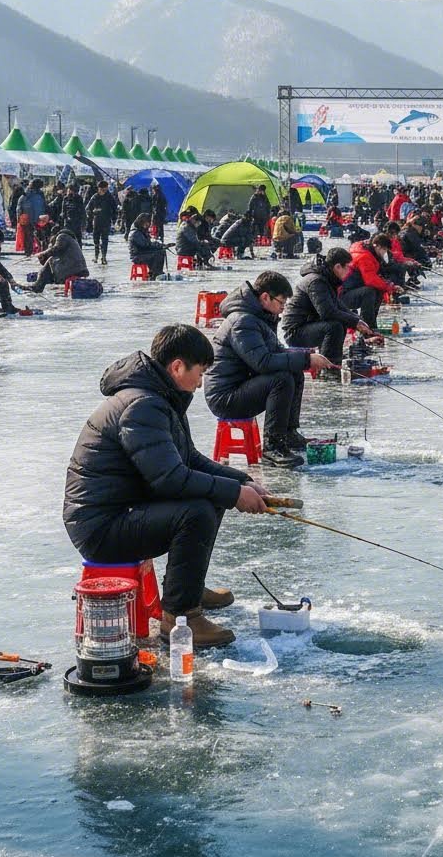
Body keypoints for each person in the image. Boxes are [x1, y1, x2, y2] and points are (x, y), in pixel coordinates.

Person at [63, 324, 271, 648]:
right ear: (177, 366)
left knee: (210, 497)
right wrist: (233, 494)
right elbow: (170, 479)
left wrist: (242, 482)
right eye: (199, 373)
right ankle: (179, 615)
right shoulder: (143, 405)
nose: (201, 383)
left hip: (123, 511)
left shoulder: (162, 397)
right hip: (100, 527)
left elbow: (188, 459)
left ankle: (187, 586)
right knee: (198, 510)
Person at [204, 271, 332, 468]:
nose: (282, 310)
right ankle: (273, 447)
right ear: (265, 297)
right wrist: (306, 359)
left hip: (243, 384)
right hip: (225, 397)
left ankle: (288, 435)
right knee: (282, 380)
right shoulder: (242, 321)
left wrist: (306, 357)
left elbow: (277, 352)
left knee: (295, 373)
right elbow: (263, 362)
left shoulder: (258, 317)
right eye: (281, 303)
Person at [281, 248, 380, 367]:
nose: (349, 272)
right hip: (295, 331)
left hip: (307, 325)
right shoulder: (316, 281)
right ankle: (329, 368)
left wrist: (358, 321)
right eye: (347, 267)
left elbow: (338, 306)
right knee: (334, 327)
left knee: (340, 323)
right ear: (338, 266)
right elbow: (327, 312)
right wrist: (355, 323)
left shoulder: (327, 278)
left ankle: (332, 361)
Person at [342, 233, 401, 324]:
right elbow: (370, 280)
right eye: (384, 249)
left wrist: (388, 284)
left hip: (352, 289)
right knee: (369, 291)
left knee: (377, 290)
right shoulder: (364, 257)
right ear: (378, 246)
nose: (385, 253)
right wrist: (389, 287)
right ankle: (368, 325)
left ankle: (372, 323)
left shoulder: (368, 252)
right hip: (343, 295)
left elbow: (374, 276)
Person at [31, 226, 89, 292]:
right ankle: (38, 286)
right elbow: (49, 258)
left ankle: (37, 287)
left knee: (49, 262)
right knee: (49, 263)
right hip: (75, 268)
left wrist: (43, 253)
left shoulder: (62, 236)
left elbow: (57, 249)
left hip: (72, 269)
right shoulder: (70, 239)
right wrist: (42, 257)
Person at [84, 181, 119, 264]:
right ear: (99, 188)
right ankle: (96, 256)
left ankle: (104, 257)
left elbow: (115, 208)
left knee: (104, 240)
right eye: (102, 188)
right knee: (96, 239)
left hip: (106, 221)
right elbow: (88, 208)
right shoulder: (95, 197)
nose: (103, 190)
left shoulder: (109, 197)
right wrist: (93, 212)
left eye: (105, 188)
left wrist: (114, 219)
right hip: (96, 221)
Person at [129, 213, 167, 279]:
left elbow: (148, 243)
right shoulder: (135, 233)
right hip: (137, 256)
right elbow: (145, 245)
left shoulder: (141, 230)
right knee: (157, 254)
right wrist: (156, 245)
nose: (148, 225)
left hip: (142, 253)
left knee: (161, 251)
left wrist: (159, 245)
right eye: (147, 223)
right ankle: (155, 273)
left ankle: (156, 272)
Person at [16, 179, 47, 255]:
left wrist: (18, 218)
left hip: (29, 218)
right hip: (38, 219)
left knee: (29, 237)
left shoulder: (25, 195)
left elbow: (19, 207)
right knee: (39, 237)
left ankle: (29, 252)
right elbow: (44, 206)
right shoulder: (39, 194)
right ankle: (39, 252)